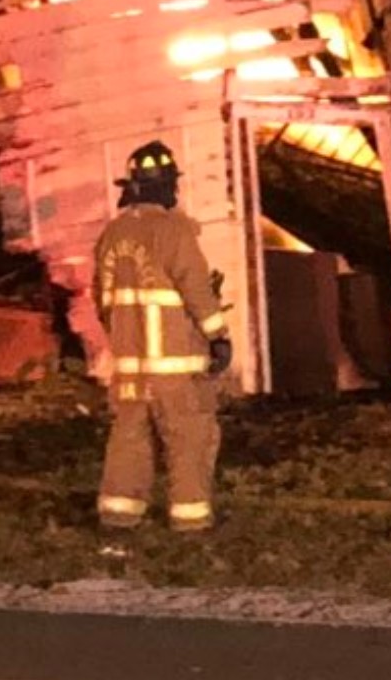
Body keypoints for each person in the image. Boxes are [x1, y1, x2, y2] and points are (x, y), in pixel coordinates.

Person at [93, 141, 230, 532]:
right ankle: (191, 520)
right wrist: (217, 335)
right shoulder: (174, 231)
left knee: (129, 436)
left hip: (130, 365)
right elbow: (196, 289)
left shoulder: (113, 235)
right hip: (175, 363)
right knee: (189, 435)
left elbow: (103, 300)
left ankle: (119, 514)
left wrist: (125, 335)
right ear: (168, 187)